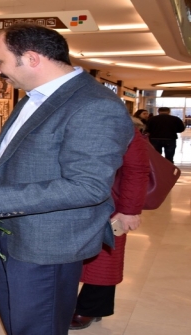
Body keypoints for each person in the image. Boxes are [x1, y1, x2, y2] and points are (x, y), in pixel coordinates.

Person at [0, 24, 134, 335]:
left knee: (37, 326)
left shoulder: (94, 105)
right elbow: (7, 155)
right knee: (17, 321)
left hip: (47, 242)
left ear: (32, 58)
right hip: (14, 230)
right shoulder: (36, 97)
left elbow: (87, 187)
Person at [70, 126, 150, 330]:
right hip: (73, 199)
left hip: (110, 204)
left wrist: (130, 209)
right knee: (74, 257)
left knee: (104, 259)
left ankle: (90, 307)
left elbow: (137, 170)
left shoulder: (126, 129)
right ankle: (87, 307)